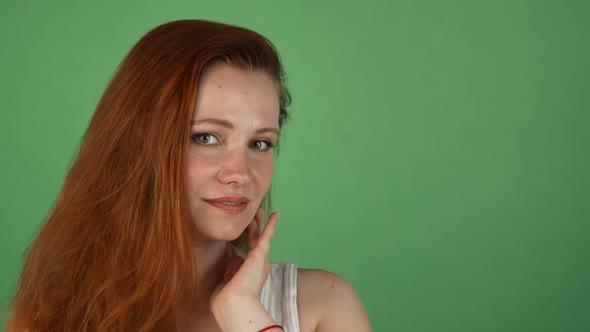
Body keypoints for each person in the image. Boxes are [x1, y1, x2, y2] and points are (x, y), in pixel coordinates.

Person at [6, 20, 372, 332]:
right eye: (206, 137)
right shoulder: (63, 310)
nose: (240, 174)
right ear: (138, 147)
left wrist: (242, 311)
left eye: (260, 143)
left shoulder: (324, 306)